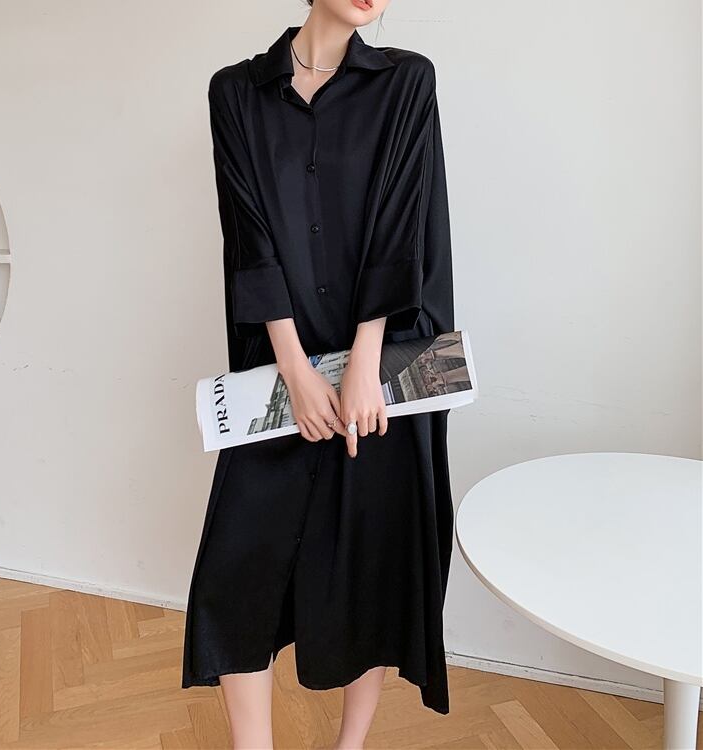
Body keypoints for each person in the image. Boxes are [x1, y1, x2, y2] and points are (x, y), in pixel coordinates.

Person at [182, 0, 456, 747]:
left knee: (374, 559)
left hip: (383, 366)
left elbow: (402, 223)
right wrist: (294, 368)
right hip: (280, 365)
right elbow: (251, 238)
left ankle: (350, 744)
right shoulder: (235, 92)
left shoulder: (406, 81)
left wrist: (364, 359)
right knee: (238, 568)